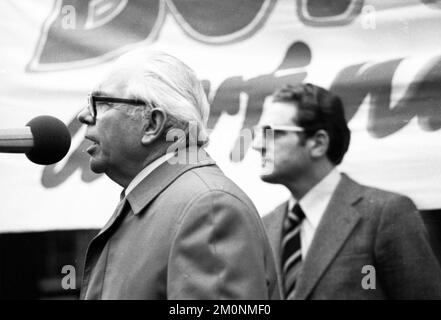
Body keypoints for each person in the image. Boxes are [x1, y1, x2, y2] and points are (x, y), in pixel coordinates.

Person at [77, 50, 279, 299]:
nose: (84, 115)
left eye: (103, 103)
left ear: (152, 124)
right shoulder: (175, 202)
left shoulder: (209, 207)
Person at [252, 83, 441, 299]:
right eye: (257, 133)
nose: (257, 145)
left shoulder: (385, 214)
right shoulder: (264, 228)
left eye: (270, 133)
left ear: (318, 143)